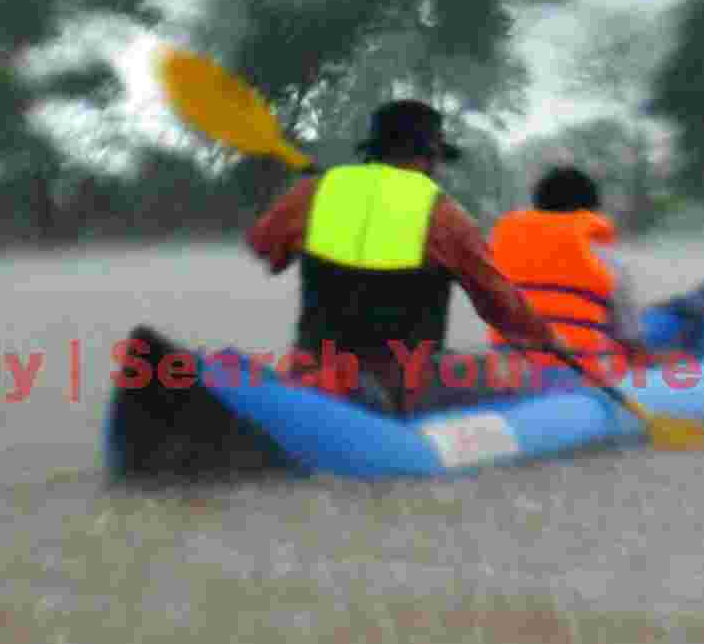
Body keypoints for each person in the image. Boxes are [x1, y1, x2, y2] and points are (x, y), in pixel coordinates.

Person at [246, 101, 578, 414]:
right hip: (404, 384)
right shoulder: (448, 217)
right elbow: (501, 305)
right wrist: (549, 339)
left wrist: (317, 212)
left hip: (313, 370)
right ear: (430, 157)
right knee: (512, 370)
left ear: (372, 151)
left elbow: (262, 246)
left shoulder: (313, 192)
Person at [487, 167, 644, 381]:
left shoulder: (497, 254)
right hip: (581, 381)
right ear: (590, 212)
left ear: (537, 208)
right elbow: (630, 336)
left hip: (511, 378)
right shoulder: (607, 259)